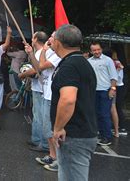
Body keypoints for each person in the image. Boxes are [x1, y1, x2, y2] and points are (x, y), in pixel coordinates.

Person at [50, 24, 98, 181]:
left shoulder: (69, 66)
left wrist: (58, 128)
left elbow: (68, 99)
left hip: (74, 136)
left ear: (58, 42)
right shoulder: (82, 63)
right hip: (83, 132)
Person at [25, 32, 62, 172]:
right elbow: (38, 66)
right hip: (46, 93)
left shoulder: (56, 54)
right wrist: (30, 53)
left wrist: (44, 51)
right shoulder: (49, 52)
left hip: (52, 95)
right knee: (47, 129)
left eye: (52, 37)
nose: (49, 39)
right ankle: (52, 156)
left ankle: (59, 159)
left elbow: (40, 66)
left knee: (52, 129)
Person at [20, 31, 49, 152]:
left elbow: (36, 70)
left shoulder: (41, 53)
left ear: (35, 39)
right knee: (37, 115)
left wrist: (22, 74)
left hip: (42, 89)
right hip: (38, 88)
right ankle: (36, 139)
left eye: (33, 37)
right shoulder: (39, 52)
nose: (31, 39)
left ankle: (44, 144)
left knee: (41, 116)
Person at [88, 42, 118, 146]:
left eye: (98, 49)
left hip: (105, 91)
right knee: (96, 114)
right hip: (93, 92)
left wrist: (112, 89)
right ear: (91, 51)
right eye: (94, 50)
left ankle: (107, 137)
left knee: (104, 114)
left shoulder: (108, 60)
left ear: (101, 49)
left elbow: (114, 76)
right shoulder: (89, 61)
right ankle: (101, 134)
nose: (96, 52)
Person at [111, 50, 127, 136]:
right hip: (117, 85)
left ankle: (122, 127)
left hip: (119, 86)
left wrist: (117, 68)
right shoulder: (114, 62)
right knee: (116, 107)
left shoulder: (117, 63)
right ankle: (117, 126)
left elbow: (118, 76)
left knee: (118, 106)